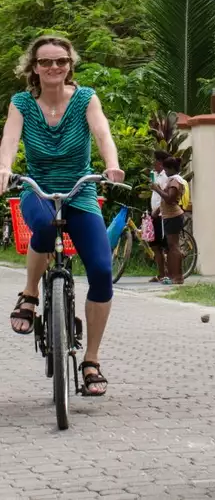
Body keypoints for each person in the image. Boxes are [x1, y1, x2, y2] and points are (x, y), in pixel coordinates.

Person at [0, 35, 125, 396]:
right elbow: (9, 140)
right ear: (33, 68)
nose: (53, 67)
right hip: (38, 189)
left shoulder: (85, 98)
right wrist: (4, 168)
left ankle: (91, 361)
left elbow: (102, 133)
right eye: (45, 62)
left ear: (70, 64)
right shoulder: (21, 103)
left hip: (80, 190)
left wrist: (112, 165)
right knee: (41, 225)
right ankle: (29, 295)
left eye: (60, 61)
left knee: (101, 272)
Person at [151, 156, 185, 285]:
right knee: (171, 247)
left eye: (165, 169)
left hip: (173, 216)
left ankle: (178, 277)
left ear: (171, 168)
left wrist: (157, 189)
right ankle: (173, 276)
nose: (164, 171)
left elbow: (170, 199)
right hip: (169, 216)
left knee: (174, 246)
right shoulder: (172, 180)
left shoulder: (175, 181)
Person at [149, 149, 170, 282]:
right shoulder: (155, 175)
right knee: (155, 245)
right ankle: (161, 273)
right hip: (155, 213)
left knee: (164, 245)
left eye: (155, 161)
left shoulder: (166, 176)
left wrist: (158, 210)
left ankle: (168, 273)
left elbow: (165, 195)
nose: (153, 163)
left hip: (162, 214)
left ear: (160, 162)